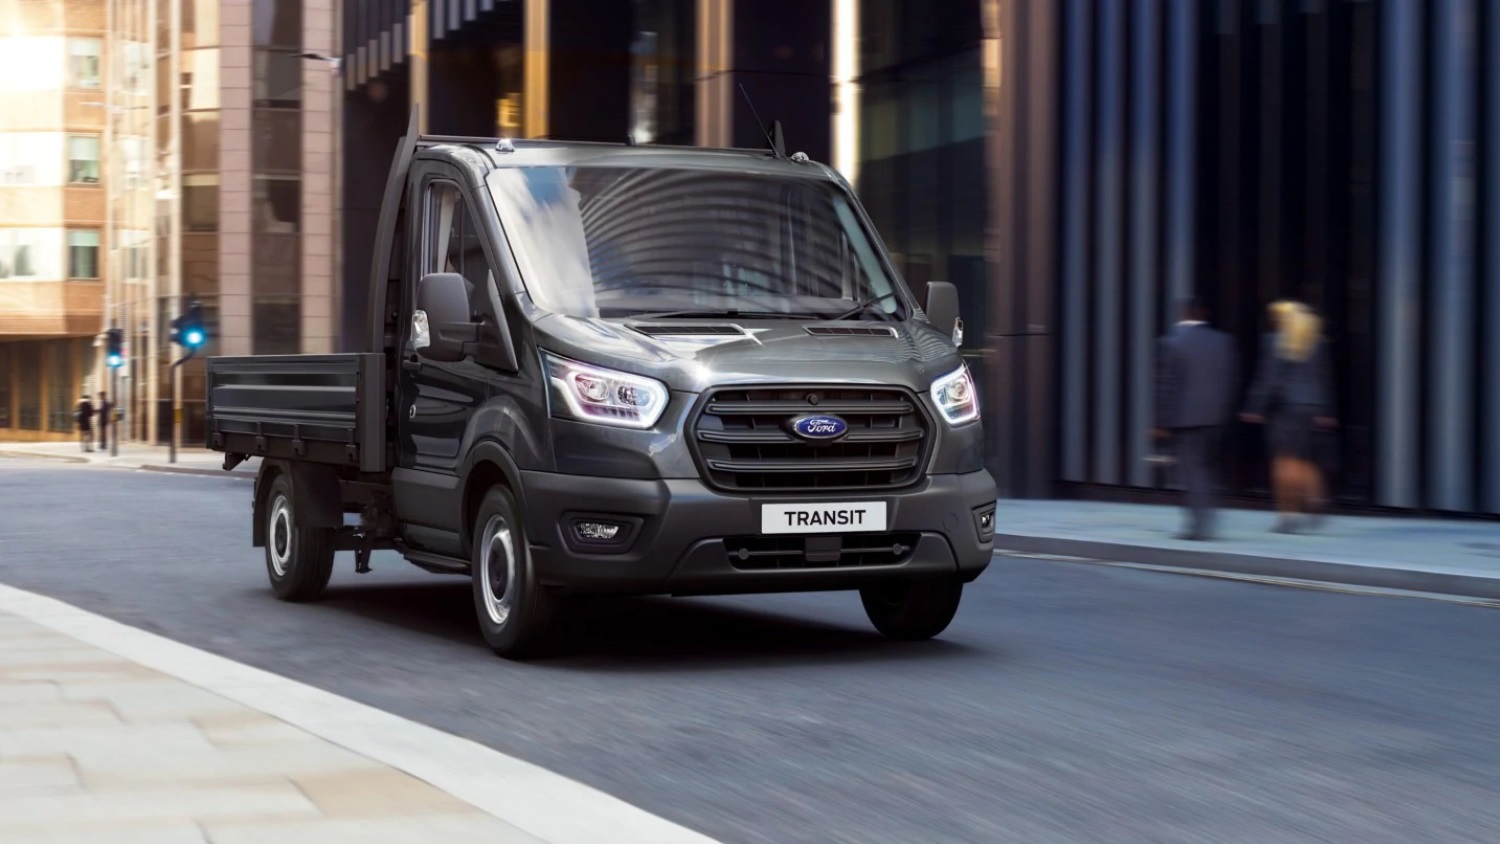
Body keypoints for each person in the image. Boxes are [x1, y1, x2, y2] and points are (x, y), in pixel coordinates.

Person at [1241, 300, 1337, 533]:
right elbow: (1324, 379)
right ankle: (1317, 501)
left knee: (1284, 462)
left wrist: (1254, 407)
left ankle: (1288, 516)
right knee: (1306, 461)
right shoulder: (1316, 342)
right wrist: (1326, 412)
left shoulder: (1274, 341)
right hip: (1311, 407)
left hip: (1285, 408)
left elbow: (1268, 378)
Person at [1154, 297, 1239, 541]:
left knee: (1192, 472)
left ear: (1183, 315)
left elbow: (1167, 386)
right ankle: (1206, 516)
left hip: (1185, 418)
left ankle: (1198, 526)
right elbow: (1229, 380)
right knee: (1206, 468)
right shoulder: (1223, 341)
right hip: (1214, 418)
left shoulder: (1173, 343)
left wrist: (1161, 421)